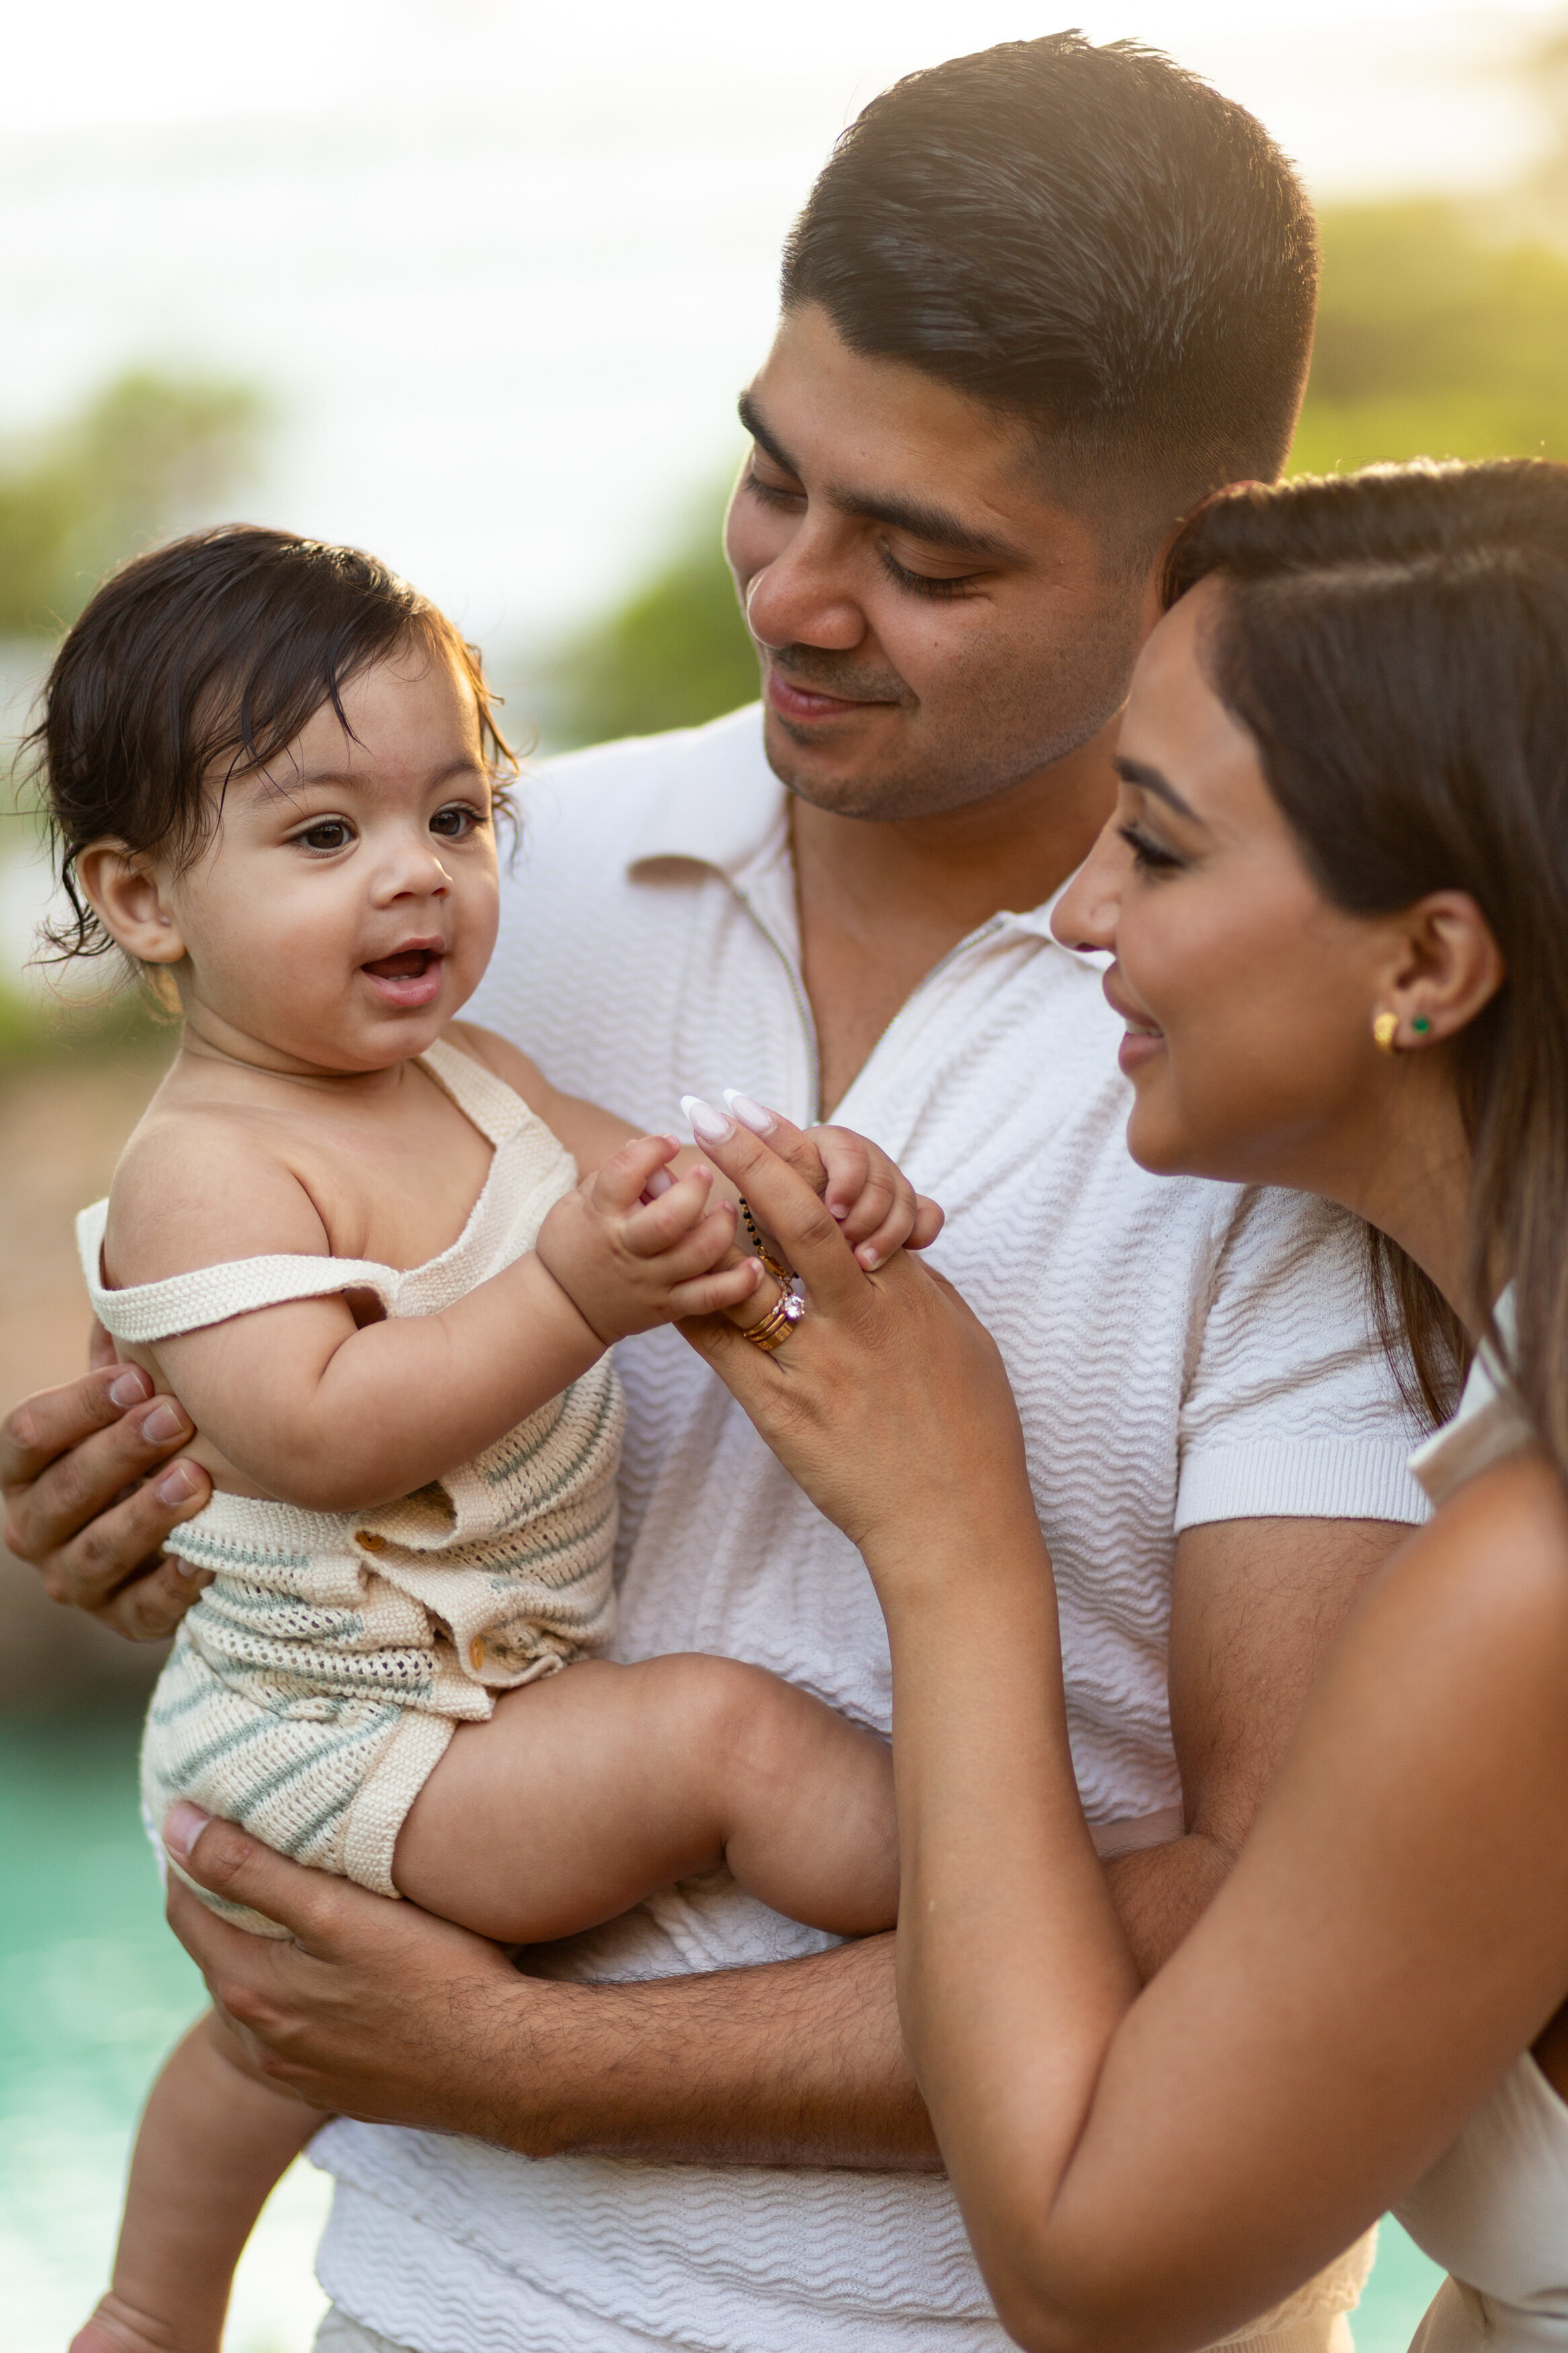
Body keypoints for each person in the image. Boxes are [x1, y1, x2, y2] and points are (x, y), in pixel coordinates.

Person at [5, 36, 1426, 2353]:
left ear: (1202, 551)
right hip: (421, 2305)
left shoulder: (1304, 1055)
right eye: (776, 480)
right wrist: (137, 1522)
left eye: (926, 554)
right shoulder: (475, 892)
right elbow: (299, 1480)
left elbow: (1298, 1936)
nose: (794, 594)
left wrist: (544, 2068)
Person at [684, 458, 1568, 2353]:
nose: (1079, 915)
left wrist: (953, 1540)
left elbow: (1090, 2259)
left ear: (1429, 962)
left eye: (1156, 847)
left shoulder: (1534, 1579)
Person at [45, 525, 932, 2353]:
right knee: (726, 1740)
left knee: (276, 2041)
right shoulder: (210, 1162)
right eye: (321, 836)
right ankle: (999, 1898)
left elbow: (654, 1188)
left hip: (459, 1688)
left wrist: (795, 1188)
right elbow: (317, 1428)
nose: (415, 878)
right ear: (142, 901)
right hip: (342, 1730)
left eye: (453, 817)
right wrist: (577, 1296)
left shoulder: (469, 1073)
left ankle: (148, 2303)